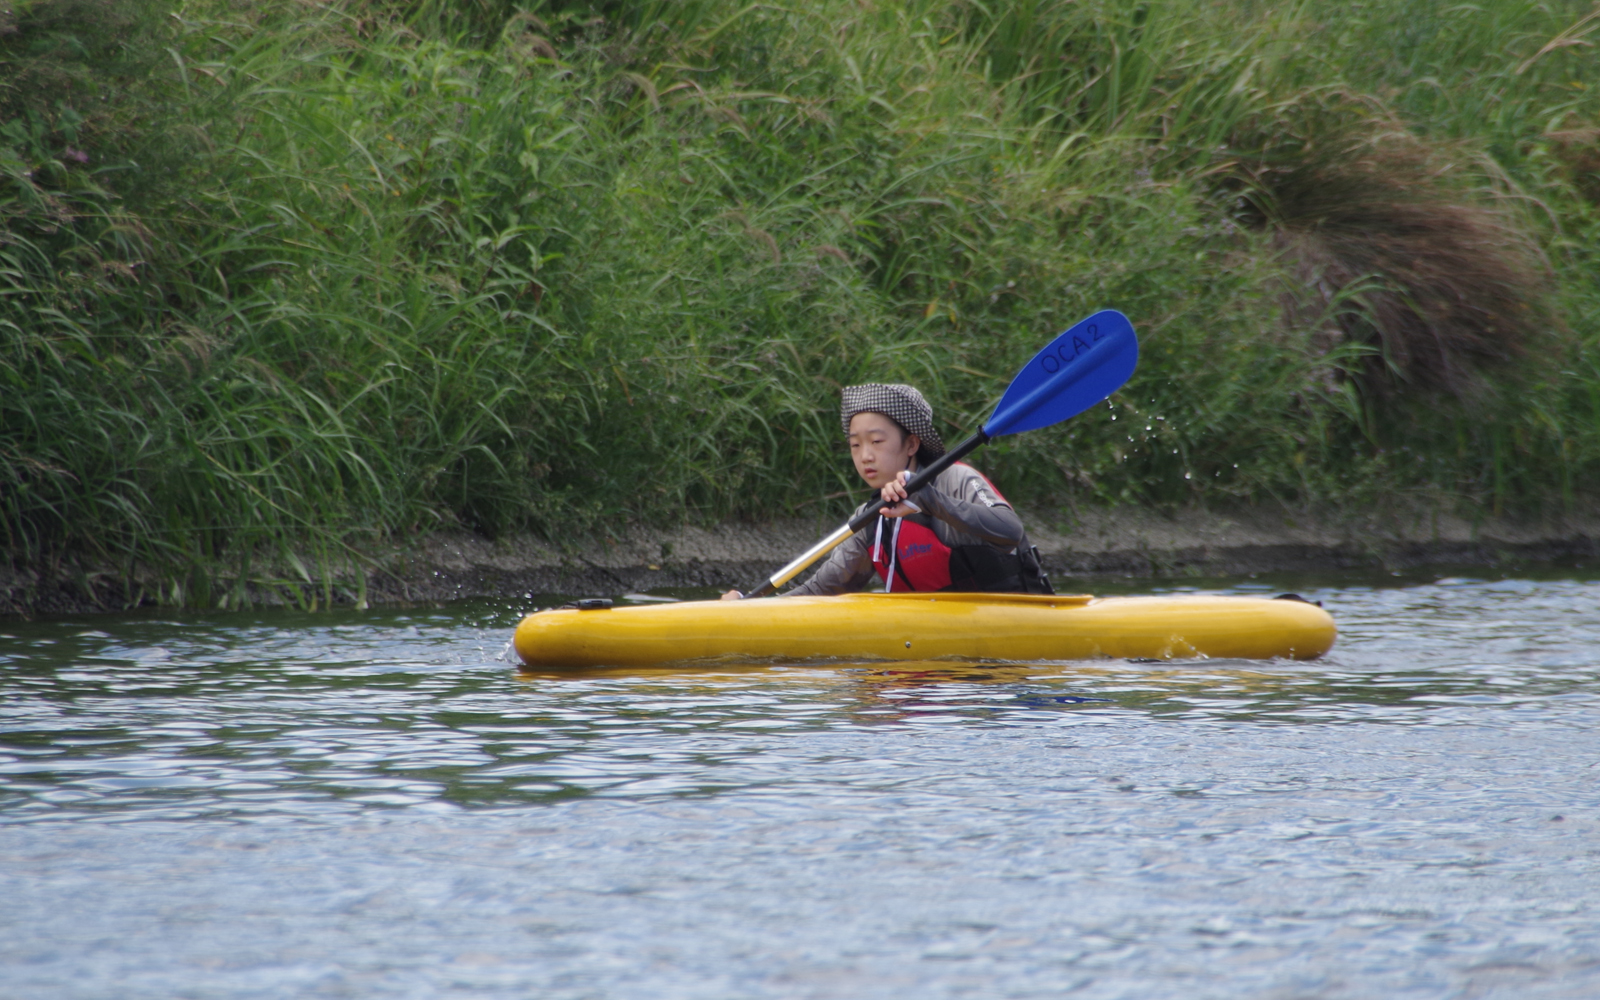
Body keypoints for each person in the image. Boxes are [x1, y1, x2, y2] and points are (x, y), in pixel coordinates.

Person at [722, 383, 1050, 598]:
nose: (865, 455)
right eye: (855, 445)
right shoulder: (870, 518)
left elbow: (1010, 531)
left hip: (1005, 662)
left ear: (911, 443)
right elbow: (824, 589)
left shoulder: (954, 481)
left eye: (877, 442)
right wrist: (751, 607)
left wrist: (930, 501)